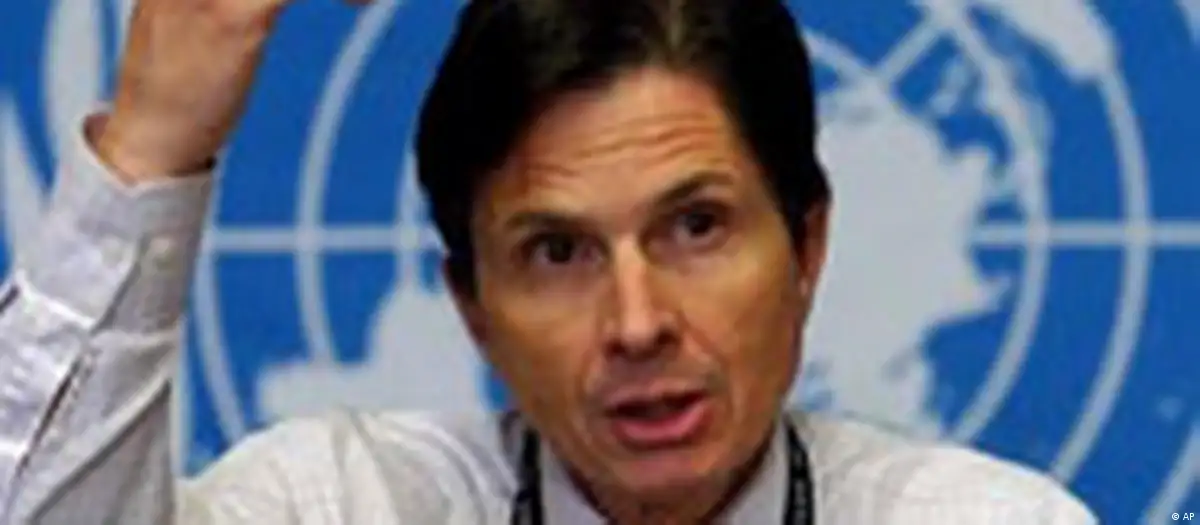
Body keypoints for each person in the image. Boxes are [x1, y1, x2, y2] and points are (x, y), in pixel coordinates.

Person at [0, 0, 1098, 523]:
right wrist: (151, 150)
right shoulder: (347, 504)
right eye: (558, 251)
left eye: (697, 227)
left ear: (806, 244)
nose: (637, 322)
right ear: (472, 306)